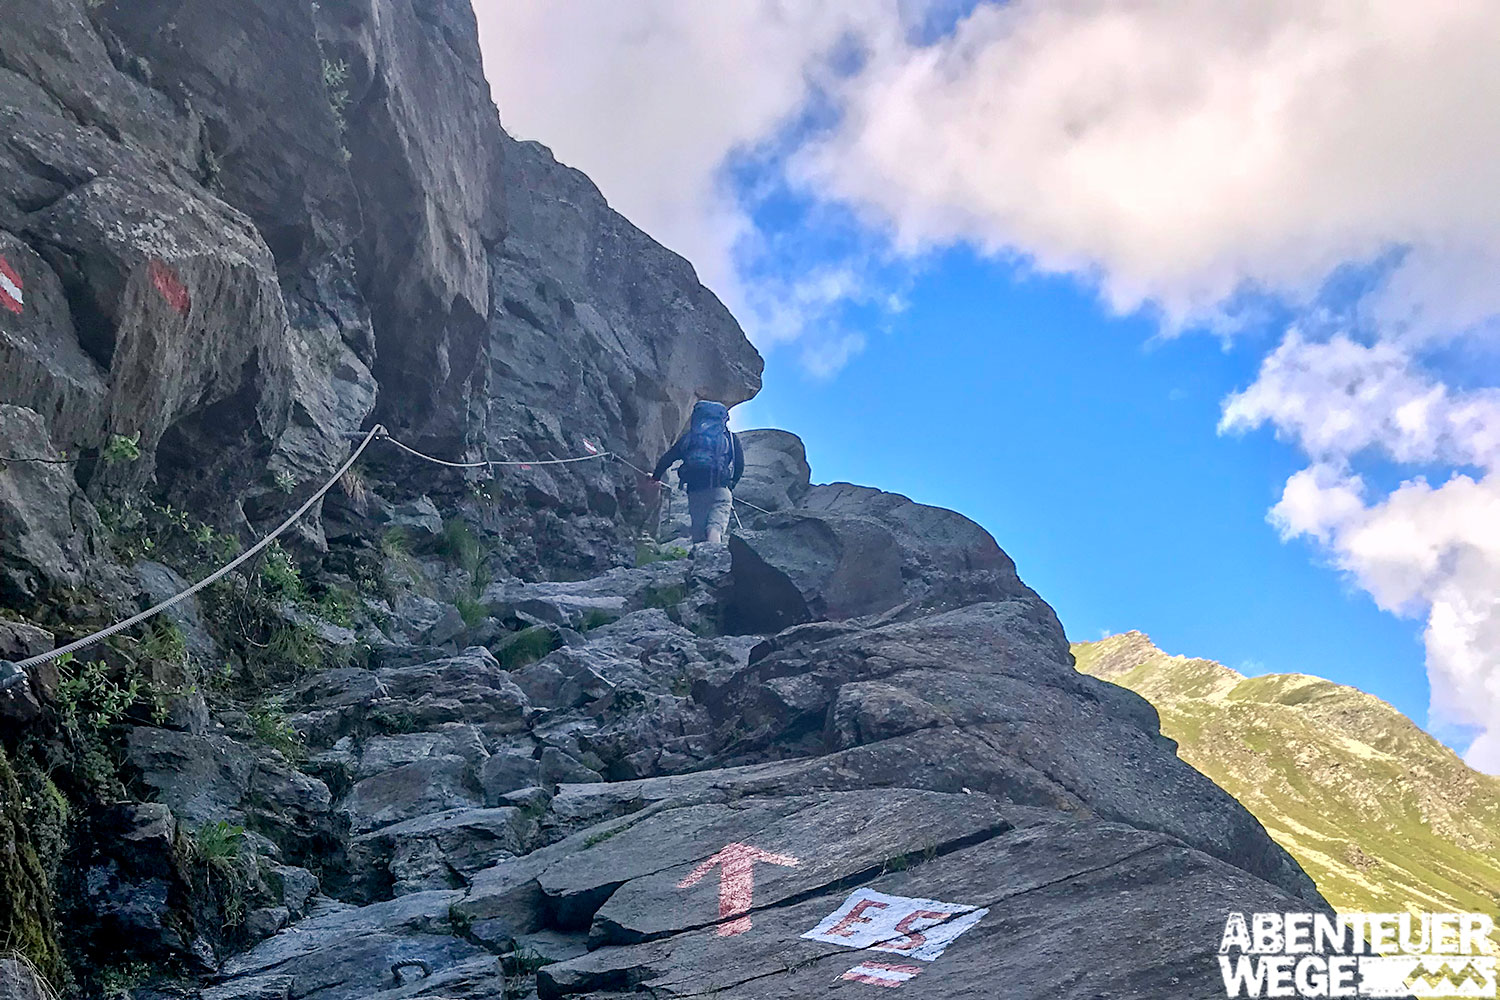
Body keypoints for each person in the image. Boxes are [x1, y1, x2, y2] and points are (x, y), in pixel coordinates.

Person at [652, 400, 744, 544]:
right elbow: (739, 465)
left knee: (699, 530)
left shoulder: (689, 437)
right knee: (715, 526)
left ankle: (699, 561)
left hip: (695, 490)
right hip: (719, 487)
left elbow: (667, 458)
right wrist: (730, 485)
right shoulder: (730, 438)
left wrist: (655, 477)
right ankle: (713, 557)